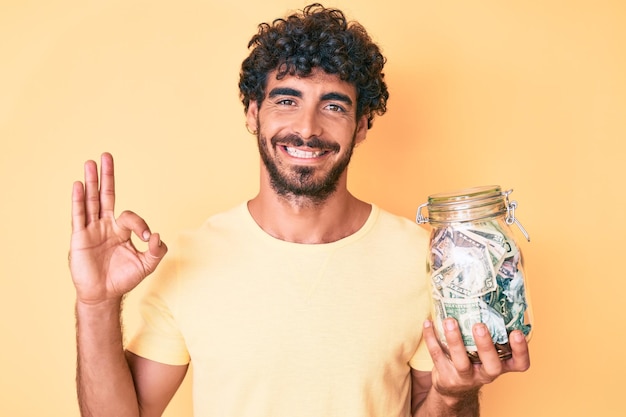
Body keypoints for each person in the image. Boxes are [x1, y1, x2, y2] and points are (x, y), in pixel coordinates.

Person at [69, 3, 530, 417]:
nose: (306, 129)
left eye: (333, 105)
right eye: (287, 100)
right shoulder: (189, 259)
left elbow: (431, 409)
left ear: (362, 125)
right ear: (253, 113)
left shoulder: (426, 259)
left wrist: (453, 397)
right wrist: (96, 303)